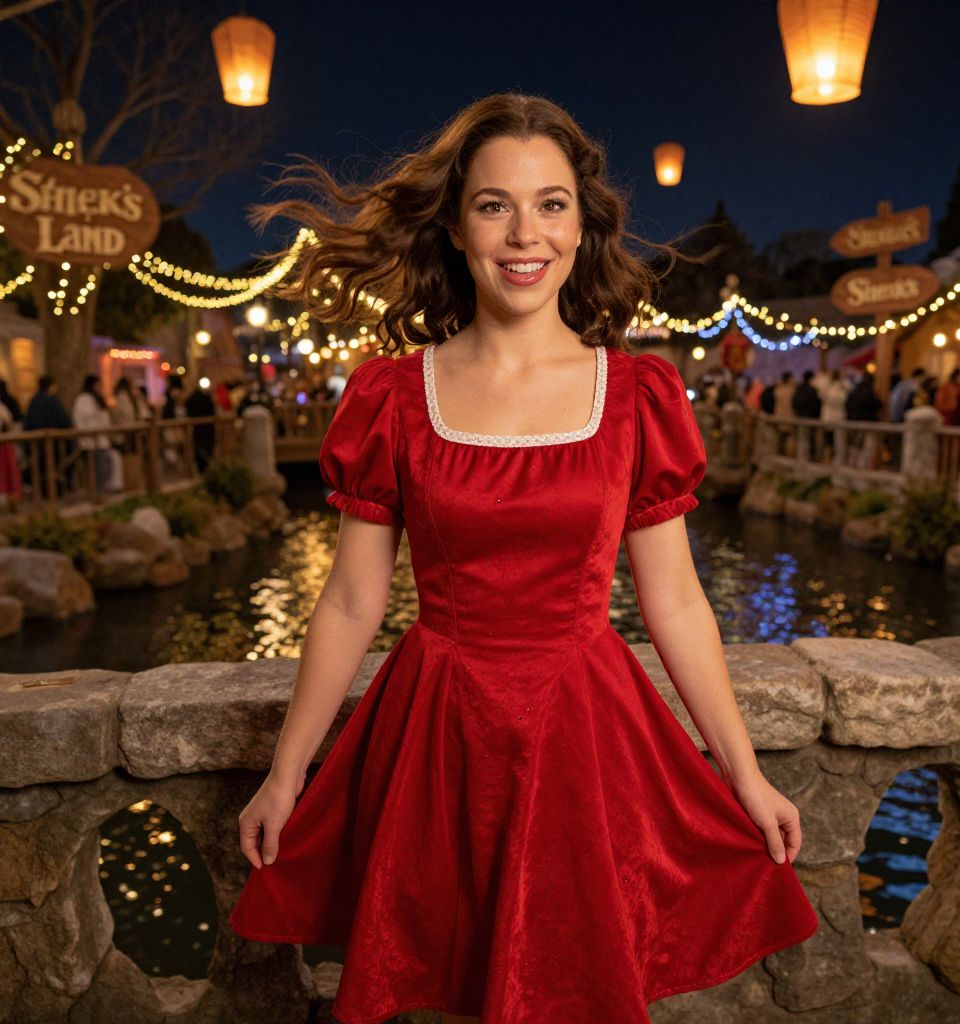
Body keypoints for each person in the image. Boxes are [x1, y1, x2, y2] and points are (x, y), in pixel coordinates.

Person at [227, 93, 818, 1024]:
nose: (523, 234)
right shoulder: (392, 394)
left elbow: (675, 602)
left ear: (582, 228)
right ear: (455, 228)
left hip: (584, 735)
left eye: (550, 204)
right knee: (448, 978)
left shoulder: (637, 392)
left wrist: (743, 774)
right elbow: (349, 601)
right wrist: (286, 772)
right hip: (438, 734)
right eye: (493, 205)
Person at [71, 374, 120, 494]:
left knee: (106, 465)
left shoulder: (97, 400)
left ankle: (102, 492)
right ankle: (97, 493)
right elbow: (86, 420)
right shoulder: (83, 400)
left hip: (101, 440)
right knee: (99, 468)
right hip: (91, 441)